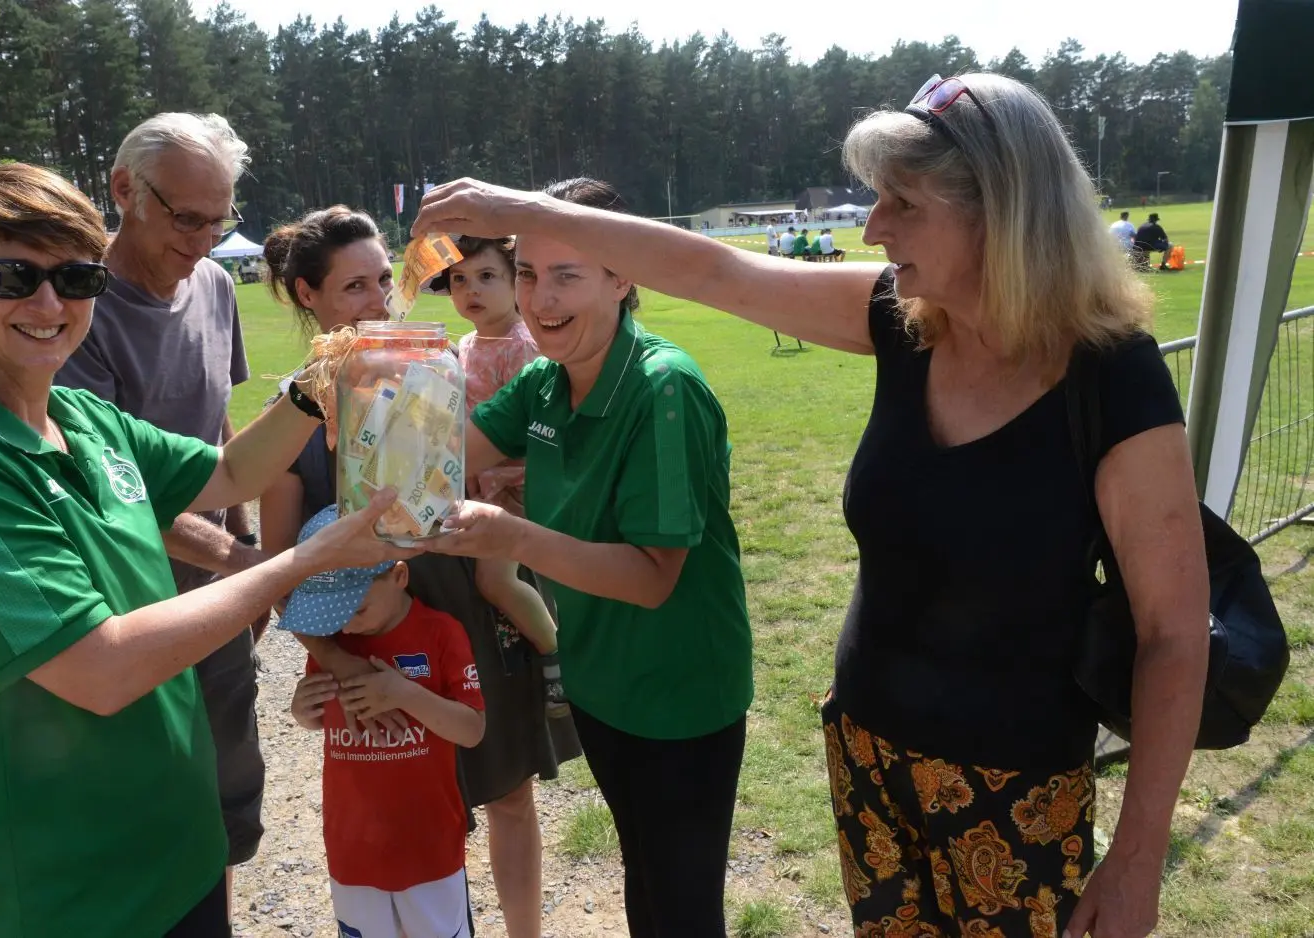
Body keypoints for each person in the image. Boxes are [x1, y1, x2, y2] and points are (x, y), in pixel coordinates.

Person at [414, 73, 1211, 938]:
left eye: (903, 203)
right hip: (868, 753)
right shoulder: (905, 321)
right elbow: (715, 268)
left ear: (1004, 210)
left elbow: (1172, 632)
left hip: (1015, 789)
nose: (873, 228)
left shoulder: (1110, 374)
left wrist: (1135, 860)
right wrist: (532, 213)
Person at [0, 162, 412, 938]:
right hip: (60, 890)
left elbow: (228, 472)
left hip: (176, 848)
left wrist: (320, 376)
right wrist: (302, 562)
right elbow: (101, 666)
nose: (50, 303)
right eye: (11, 275)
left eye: (77, 277)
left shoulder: (83, 417)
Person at [416, 177, 754, 938]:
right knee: (644, 870)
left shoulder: (663, 388)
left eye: (567, 274)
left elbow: (652, 577)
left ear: (622, 275)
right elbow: (439, 458)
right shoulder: (545, 381)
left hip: (679, 690)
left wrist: (514, 538)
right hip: (603, 679)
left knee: (681, 898)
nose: (540, 298)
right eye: (530, 273)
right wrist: (372, 378)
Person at [255, 205, 580, 938]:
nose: (378, 304)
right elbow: (282, 573)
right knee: (407, 819)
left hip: (469, 610)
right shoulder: (291, 415)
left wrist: (503, 487)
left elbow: (508, 477)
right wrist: (337, 666)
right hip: (374, 649)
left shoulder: (442, 374)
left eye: (383, 283)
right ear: (309, 297)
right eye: (353, 290)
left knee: (506, 792)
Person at [53, 112, 267, 902]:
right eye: (187, 218)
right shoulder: (72, 312)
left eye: (221, 220)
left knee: (225, 796)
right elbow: (113, 488)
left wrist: (239, 538)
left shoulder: (212, 283)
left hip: (211, 591)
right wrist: (248, 569)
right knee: (143, 806)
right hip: (124, 602)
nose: (206, 240)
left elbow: (217, 423)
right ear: (122, 190)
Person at [284, 506, 485, 938]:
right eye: (332, 611)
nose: (344, 624)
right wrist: (304, 711)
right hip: (352, 848)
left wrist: (404, 694)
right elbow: (324, 717)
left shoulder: (440, 633)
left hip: (427, 849)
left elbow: (472, 729)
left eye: (355, 609)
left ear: (399, 576)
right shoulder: (333, 641)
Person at [427, 235, 566, 715]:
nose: (471, 290)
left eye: (487, 277)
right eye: (460, 280)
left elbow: (535, 429)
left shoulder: (522, 345)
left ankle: (555, 655)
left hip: (517, 488)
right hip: (479, 483)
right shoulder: (466, 342)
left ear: (516, 282)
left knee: (493, 580)